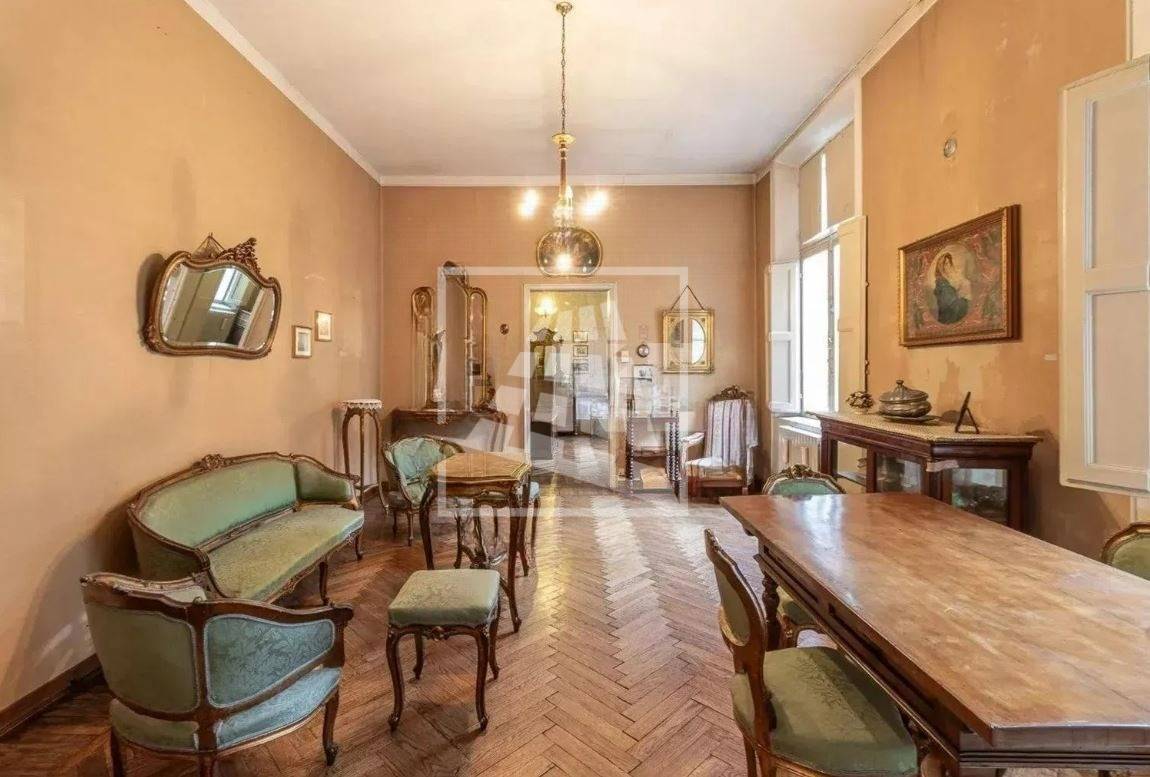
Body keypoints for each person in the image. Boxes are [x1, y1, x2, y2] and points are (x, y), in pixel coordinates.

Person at [933, 251, 970, 324]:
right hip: (947, 318)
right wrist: (964, 300)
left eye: (949, 263)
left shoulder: (948, 280)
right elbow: (950, 303)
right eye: (946, 264)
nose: (949, 266)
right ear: (941, 267)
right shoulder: (942, 283)